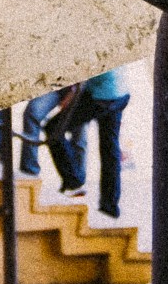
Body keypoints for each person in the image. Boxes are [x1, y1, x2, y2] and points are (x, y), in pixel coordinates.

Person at [41, 69, 131, 217]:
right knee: (110, 148)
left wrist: (71, 95)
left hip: (101, 95)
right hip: (120, 93)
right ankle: (110, 206)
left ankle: (73, 181)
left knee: (53, 129)